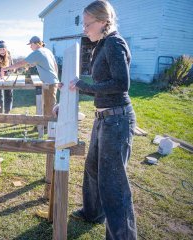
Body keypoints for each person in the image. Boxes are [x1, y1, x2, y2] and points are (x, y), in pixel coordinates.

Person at [53, 1, 137, 239]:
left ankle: (122, 236)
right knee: (92, 168)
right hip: (104, 118)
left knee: (113, 184)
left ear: (103, 22)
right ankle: (93, 213)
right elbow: (96, 80)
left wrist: (84, 87)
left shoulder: (114, 43)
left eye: (88, 24)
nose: (85, 29)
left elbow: (122, 84)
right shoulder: (101, 44)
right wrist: (70, 88)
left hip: (117, 120)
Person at [1, 36, 59, 117]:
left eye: (31, 45)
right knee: (46, 105)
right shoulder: (47, 50)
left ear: (35, 44)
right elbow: (55, 65)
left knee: (50, 107)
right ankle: (44, 125)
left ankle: (51, 127)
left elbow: (21, 63)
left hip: (49, 83)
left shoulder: (38, 52)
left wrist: (6, 68)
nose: (30, 47)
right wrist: (57, 80)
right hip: (52, 81)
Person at [0, 40, 14, 114]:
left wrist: (12, 68)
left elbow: (12, 63)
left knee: (9, 93)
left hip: (7, 74)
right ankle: (0, 111)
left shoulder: (9, 54)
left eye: (3, 49)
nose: (2, 51)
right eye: (0, 49)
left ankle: (8, 111)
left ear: (6, 49)